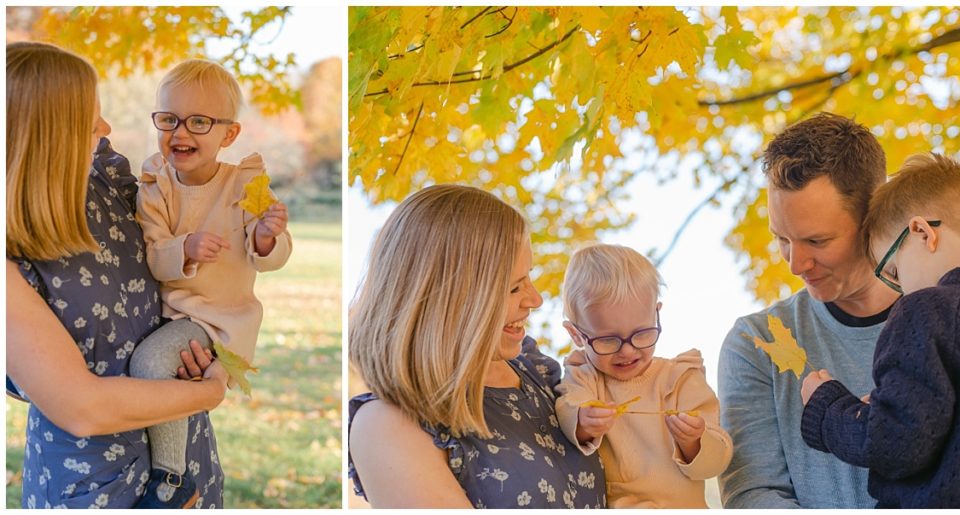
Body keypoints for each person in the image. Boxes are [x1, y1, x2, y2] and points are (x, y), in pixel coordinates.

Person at [6, 41, 229, 509]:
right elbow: (83, 408)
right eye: (90, 123)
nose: (106, 130)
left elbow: (182, 220)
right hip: (94, 484)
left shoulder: (105, 180)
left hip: (185, 457)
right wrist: (208, 393)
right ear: (47, 135)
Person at [348, 184, 606, 508]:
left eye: (529, 277)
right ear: (451, 300)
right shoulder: (388, 426)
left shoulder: (539, 375)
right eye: (514, 288)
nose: (535, 299)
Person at [800, 153, 960, 508]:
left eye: (895, 272)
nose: (899, 290)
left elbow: (896, 443)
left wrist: (828, 407)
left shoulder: (925, 310)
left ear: (922, 233)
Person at [717, 112, 901, 508]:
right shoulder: (755, 345)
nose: (795, 264)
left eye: (816, 241)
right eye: (782, 238)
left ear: (874, 218)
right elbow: (756, 497)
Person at [131, 58, 293, 507]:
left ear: (228, 134)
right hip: (176, 311)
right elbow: (153, 252)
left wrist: (264, 236)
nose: (180, 133)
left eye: (199, 122)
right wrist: (182, 248)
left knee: (149, 365)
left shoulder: (246, 184)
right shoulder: (155, 186)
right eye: (169, 119)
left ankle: (171, 478)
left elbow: (273, 257)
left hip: (218, 319)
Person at [554, 244, 733, 508]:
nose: (627, 350)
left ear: (656, 314)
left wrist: (693, 442)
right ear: (577, 335)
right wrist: (581, 421)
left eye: (642, 334)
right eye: (608, 340)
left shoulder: (680, 378)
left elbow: (715, 463)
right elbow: (568, 406)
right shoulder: (585, 377)